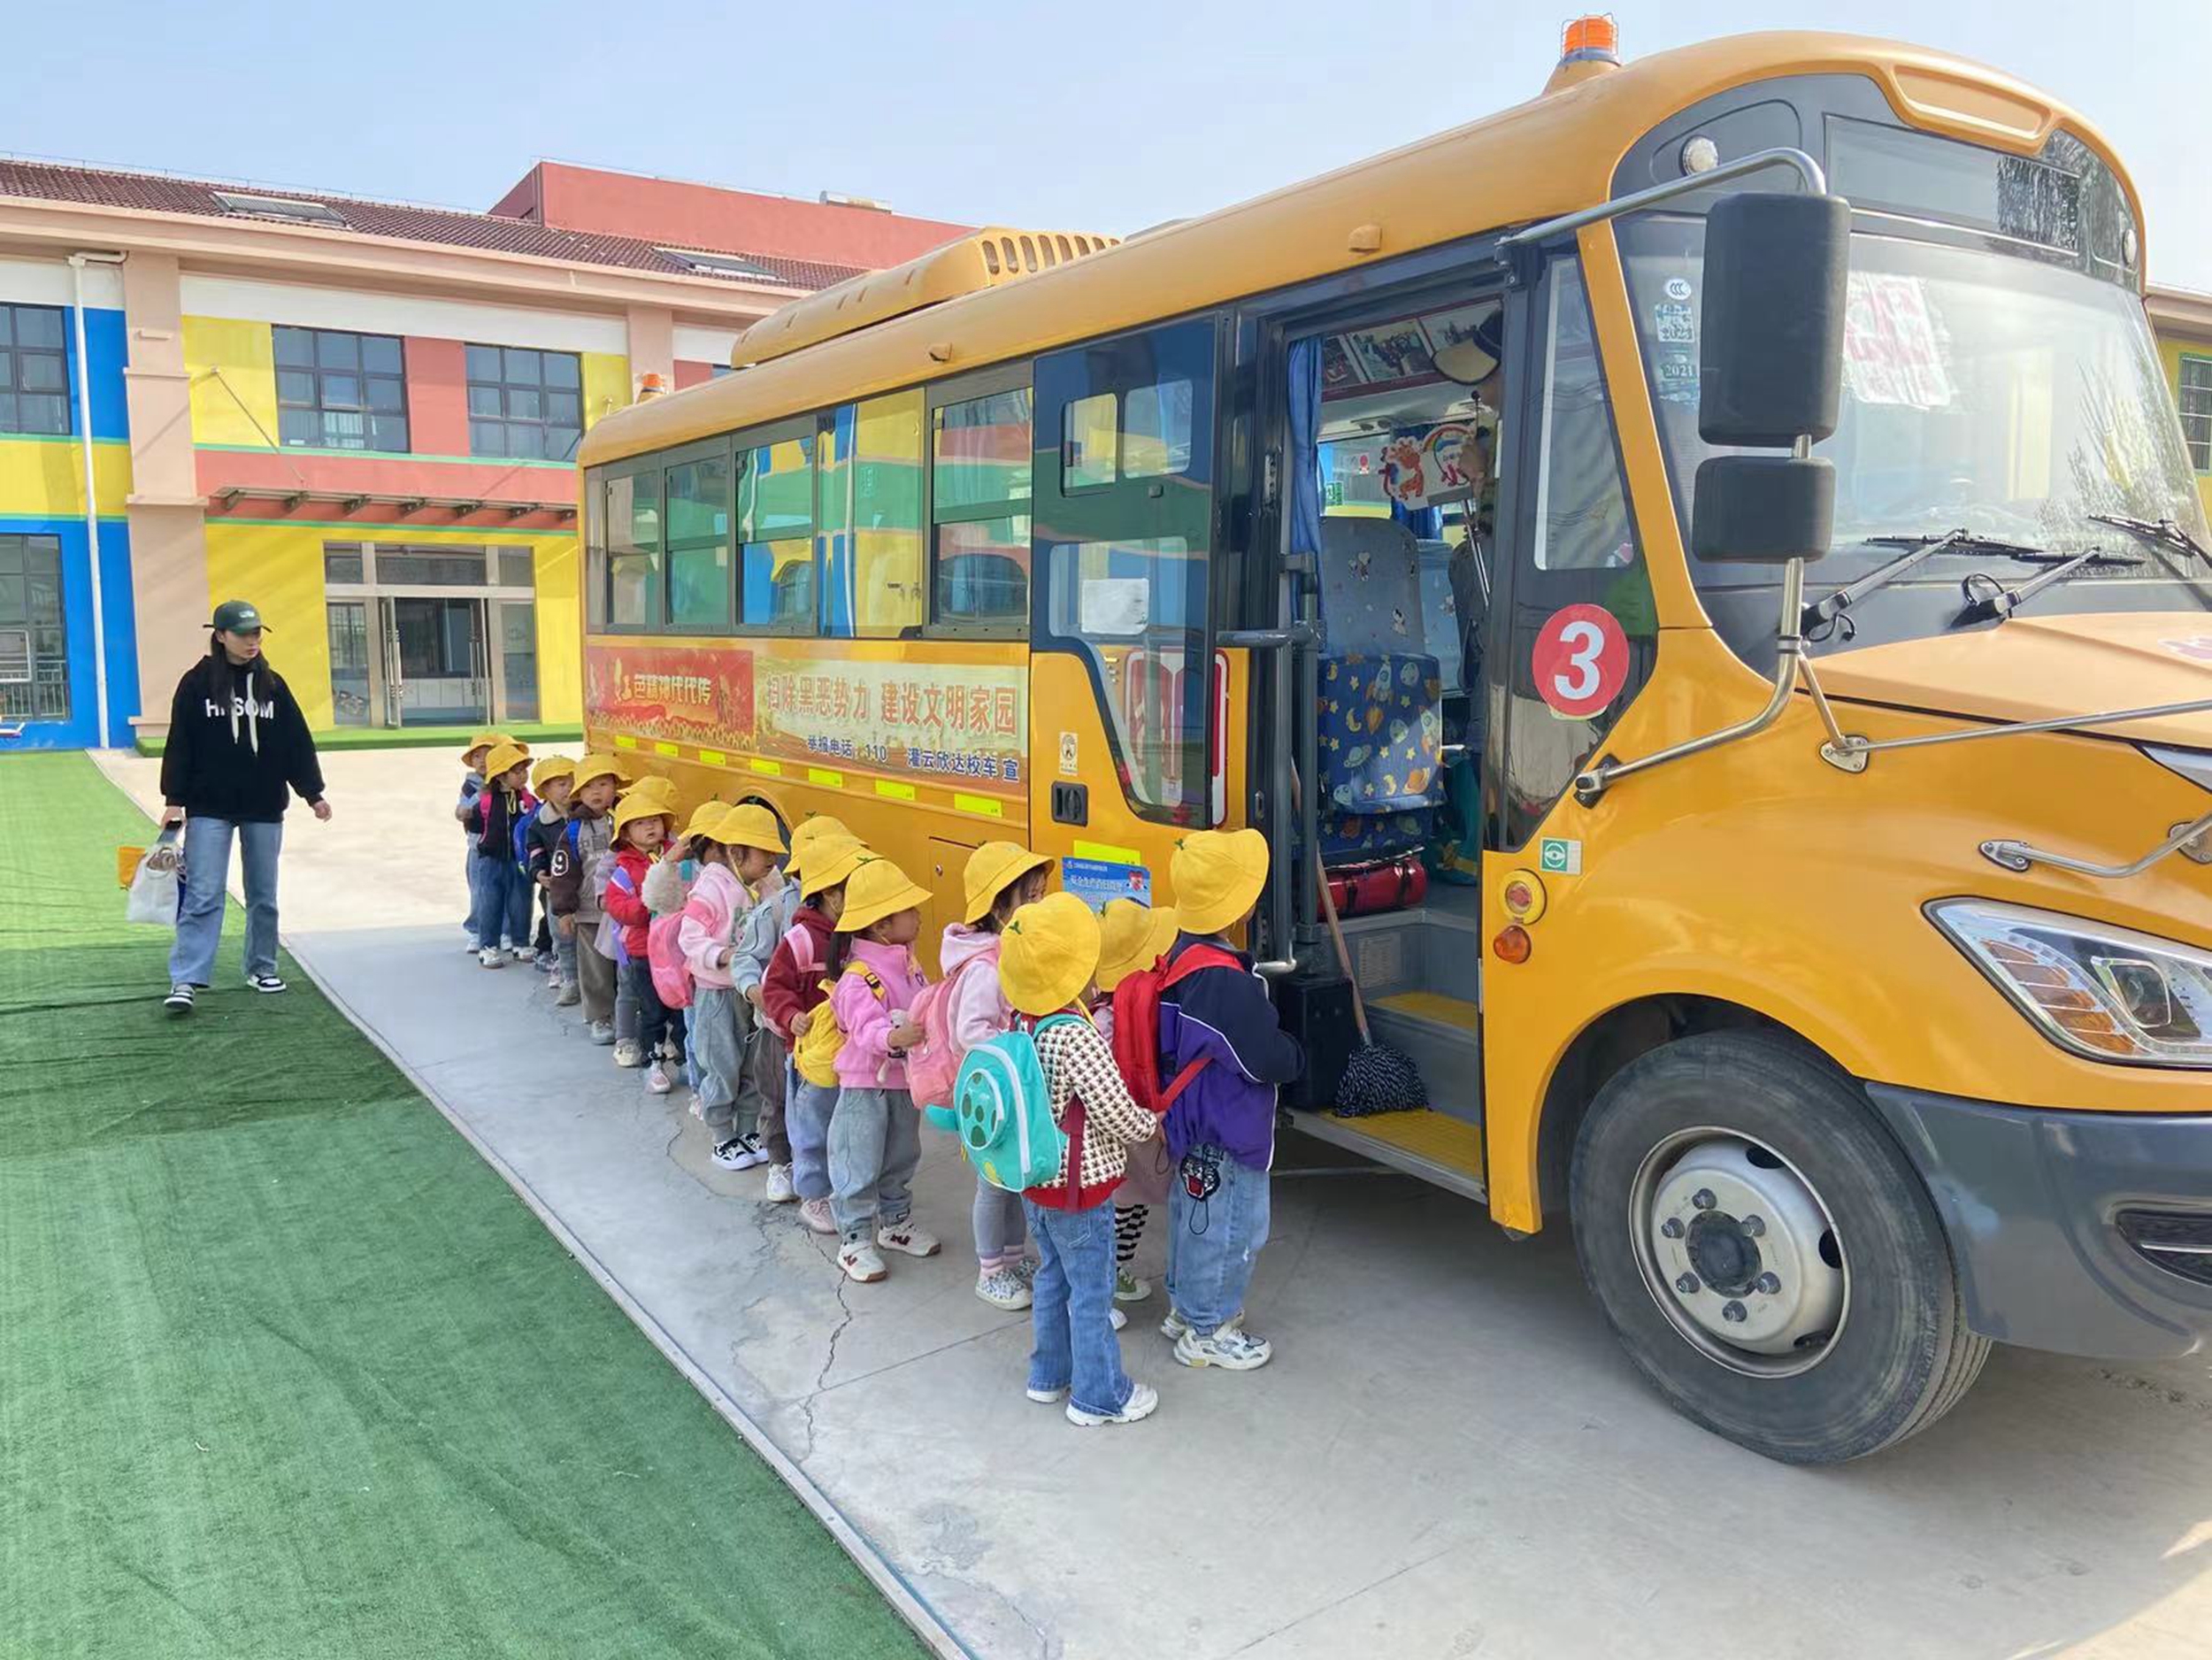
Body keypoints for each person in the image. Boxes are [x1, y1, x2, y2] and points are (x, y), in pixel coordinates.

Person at [1002, 892, 1164, 1427]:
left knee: (1053, 1277)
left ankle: (1048, 1376)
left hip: (1037, 1181)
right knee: (1092, 1293)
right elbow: (1113, 1110)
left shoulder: (1022, 1021)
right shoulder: (1076, 1033)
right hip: (1081, 1188)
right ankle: (1099, 1396)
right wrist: (1150, 1124)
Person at [1159, 829, 1305, 1371]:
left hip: (1193, 1124)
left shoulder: (1181, 956)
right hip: (1228, 1132)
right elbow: (1262, 1057)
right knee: (1230, 1231)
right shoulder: (1224, 982)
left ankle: (1185, 1308)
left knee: (1193, 1221)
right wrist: (1296, 1055)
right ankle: (1208, 1330)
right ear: (1236, 906)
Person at [159, 599, 331, 1016]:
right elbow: (180, 744)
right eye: (242, 634)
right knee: (203, 893)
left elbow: (296, 742)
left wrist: (313, 793)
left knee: (263, 895)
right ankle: (186, 978)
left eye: (256, 633)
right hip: (209, 807)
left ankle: (261, 967)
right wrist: (174, 801)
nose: (252, 641)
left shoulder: (273, 685)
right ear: (220, 636)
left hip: (263, 806)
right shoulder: (196, 683)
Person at [938, 842, 1053, 1310]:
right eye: (1032, 897)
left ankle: (1012, 1257)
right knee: (993, 1183)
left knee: (1015, 1180)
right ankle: (991, 1271)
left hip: (1012, 1091)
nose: (1040, 904)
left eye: (1042, 894)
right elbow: (970, 1031)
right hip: (992, 1097)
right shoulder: (987, 967)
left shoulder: (1009, 952)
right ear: (1000, 908)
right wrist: (1016, 1046)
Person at [825, 854, 938, 1284]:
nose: (918, 915)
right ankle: (854, 1238)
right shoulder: (858, 977)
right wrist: (893, 1037)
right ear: (881, 925)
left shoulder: (908, 963)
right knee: (858, 1159)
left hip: (902, 1083)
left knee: (901, 1154)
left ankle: (895, 1222)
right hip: (864, 1088)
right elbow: (864, 1028)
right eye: (909, 909)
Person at [761, 833, 865, 1233]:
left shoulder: (855, 934)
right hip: (810, 1057)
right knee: (812, 1128)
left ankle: (842, 1185)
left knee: (846, 1125)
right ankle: (814, 1195)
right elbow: (774, 987)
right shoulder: (800, 940)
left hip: (850, 1052)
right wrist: (791, 1016)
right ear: (831, 895)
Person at [680, 803, 788, 1172]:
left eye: (774, 852)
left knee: (752, 1064)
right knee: (721, 1062)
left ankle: (748, 1129)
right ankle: (722, 1135)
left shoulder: (765, 886)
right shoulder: (711, 888)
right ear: (736, 852)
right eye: (764, 852)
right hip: (718, 991)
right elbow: (689, 937)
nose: (772, 860)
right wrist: (722, 955)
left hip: (751, 991)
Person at [1093, 899, 1182, 1304]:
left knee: (1139, 1198)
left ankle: (1117, 1269)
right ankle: (1102, 1280)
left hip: (1138, 1122)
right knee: (1121, 1204)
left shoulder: (1122, 1010)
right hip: (1120, 1127)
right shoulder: (1105, 1021)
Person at [603, 793, 680, 1088]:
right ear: (625, 833)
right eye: (640, 823)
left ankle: (686, 1062)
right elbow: (619, 908)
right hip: (644, 952)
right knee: (652, 1011)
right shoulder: (624, 871)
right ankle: (653, 1063)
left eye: (655, 820)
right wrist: (650, 903)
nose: (650, 826)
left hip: (677, 948)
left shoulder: (678, 858)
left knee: (682, 1009)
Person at [546, 754, 623, 1043]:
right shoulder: (574, 829)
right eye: (588, 786)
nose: (596, 792)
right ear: (579, 791)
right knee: (595, 967)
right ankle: (600, 1015)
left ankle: (627, 1013)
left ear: (615, 786)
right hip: (591, 912)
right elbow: (563, 872)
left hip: (627, 911)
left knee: (626, 967)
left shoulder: (627, 820)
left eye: (603, 784)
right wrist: (564, 910)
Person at [468, 743, 535, 969]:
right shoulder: (486, 801)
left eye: (524, 770)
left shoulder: (527, 800)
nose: (523, 775)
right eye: (517, 771)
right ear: (500, 776)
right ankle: (488, 946)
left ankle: (520, 942)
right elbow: (475, 824)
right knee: (490, 904)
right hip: (491, 861)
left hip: (519, 861)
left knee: (521, 903)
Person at [455, 730, 519, 952]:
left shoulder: (511, 783)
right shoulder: (471, 785)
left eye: (488, 754)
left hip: (507, 846)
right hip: (479, 848)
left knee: (510, 890)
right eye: (477, 756)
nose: (482, 760)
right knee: (480, 891)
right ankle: (476, 931)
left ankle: (506, 932)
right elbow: (463, 810)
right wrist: (480, 795)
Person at [524, 756, 578, 995]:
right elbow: (535, 855)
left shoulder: (584, 816)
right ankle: (566, 972)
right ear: (545, 791)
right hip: (556, 889)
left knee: (585, 935)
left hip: (583, 885)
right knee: (562, 935)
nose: (568, 788)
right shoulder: (539, 825)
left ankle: (583, 973)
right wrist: (539, 874)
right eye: (561, 784)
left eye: (571, 782)